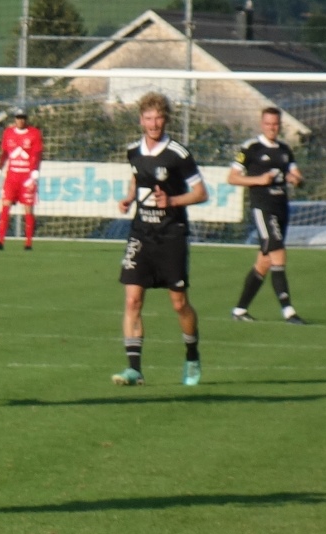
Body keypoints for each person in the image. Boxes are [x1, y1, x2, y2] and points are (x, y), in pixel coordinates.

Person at [113, 92, 208, 387]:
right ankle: (134, 370)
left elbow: (201, 193)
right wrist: (129, 197)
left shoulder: (178, 154)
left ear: (166, 120)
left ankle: (192, 355)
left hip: (171, 235)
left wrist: (173, 201)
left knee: (179, 304)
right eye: (149, 118)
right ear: (141, 120)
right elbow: (137, 177)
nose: (154, 124)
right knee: (132, 300)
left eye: (159, 118)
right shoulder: (133, 151)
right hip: (141, 234)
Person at [227, 107, 306, 325]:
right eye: (268, 124)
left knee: (264, 262)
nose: (272, 128)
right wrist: (258, 180)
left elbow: (297, 175)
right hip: (263, 208)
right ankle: (288, 311)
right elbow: (232, 177)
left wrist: (296, 179)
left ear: (280, 125)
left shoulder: (284, 149)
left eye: (276, 124)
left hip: (282, 209)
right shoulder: (251, 148)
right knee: (278, 253)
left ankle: (239, 310)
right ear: (262, 124)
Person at [0, 106, 43, 251]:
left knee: (28, 210)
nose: (21, 120)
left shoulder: (34, 133)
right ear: (15, 119)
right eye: (18, 117)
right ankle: (0, 241)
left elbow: (37, 153)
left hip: (26, 178)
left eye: (23, 118)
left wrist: (35, 171)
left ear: (26, 119)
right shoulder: (8, 133)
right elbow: (5, 153)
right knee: (5, 206)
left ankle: (28, 243)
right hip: (12, 177)